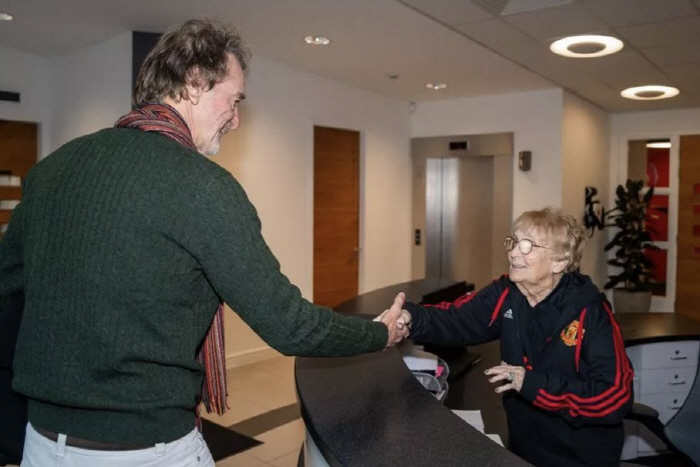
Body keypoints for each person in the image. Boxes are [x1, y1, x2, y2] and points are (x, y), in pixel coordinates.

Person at [0, 18, 406, 467]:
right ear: (194, 83)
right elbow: (288, 324)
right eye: (234, 101)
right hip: (146, 451)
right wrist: (378, 333)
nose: (236, 120)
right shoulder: (204, 186)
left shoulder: (52, 170)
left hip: (41, 444)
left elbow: (9, 290)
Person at [396, 207, 634, 467]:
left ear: (560, 262)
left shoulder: (591, 314)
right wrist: (408, 318)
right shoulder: (507, 293)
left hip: (579, 457)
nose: (512, 253)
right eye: (513, 242)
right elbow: (456, 319)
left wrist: (531, 383)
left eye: (527, 246)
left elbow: (615, 397)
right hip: (524, 450)